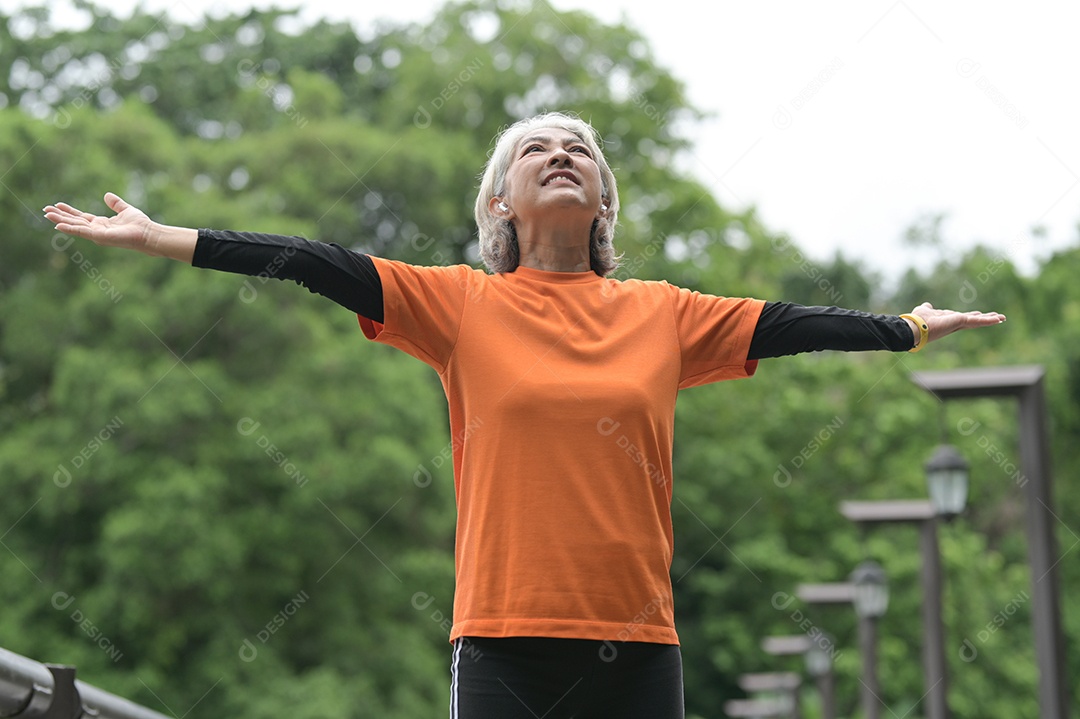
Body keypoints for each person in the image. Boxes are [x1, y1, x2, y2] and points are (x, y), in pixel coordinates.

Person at [45, 111, 1005, 719]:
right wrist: (162, 236)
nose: (561, 155)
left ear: (602, 204)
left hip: (639, 643)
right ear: (500, 201)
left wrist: (908, 329)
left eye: (578, 148)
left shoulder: (665, 314)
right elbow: (311, 259)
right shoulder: (457, 304)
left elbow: (798, 324)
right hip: (503, 639)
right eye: (536, 148)